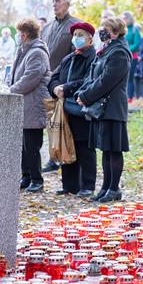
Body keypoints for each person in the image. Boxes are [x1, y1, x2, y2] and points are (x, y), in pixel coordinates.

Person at [76, 17, 132, 203]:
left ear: (115, 32)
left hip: (113, 107)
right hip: (103, 108)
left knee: (114, 150)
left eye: (105, 29)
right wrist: (83, 92)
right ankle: (106, 187)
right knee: (106, 150)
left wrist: (86, 97)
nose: (101, 31)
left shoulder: (119, 52)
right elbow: (94, 77)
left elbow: (106, 80)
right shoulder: (107, 50)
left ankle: (114, 188)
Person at [48, 22, 97, 197]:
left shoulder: (93, 57)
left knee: (84, 147)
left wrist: (66, 88)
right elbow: (53, 77)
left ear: (90, 38)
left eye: (80, 35)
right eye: (75, 34)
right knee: (66, 145)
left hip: (81, 108)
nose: (76, 38)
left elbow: (87, 80)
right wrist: (55, 89)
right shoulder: (68, 58)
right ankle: (69, 185)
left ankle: (87, 185)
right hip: (64, 108)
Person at [8, 18, 52, 193]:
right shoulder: (25, 50)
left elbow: (30, 78)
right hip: (25, 104)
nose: (18, 36)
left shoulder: (37, 52)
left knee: (32, 145)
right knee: (23, 145)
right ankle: (26, 176)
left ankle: (36, 179)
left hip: (33, 104)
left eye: (19, 33)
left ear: (24, 34)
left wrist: (10, 90)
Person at [40, 0, 81, 174]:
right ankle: (53, 157)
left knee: (66, 123)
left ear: (67, 4)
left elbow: (77, 54)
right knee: (52, 121)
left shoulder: (75, 26)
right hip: (48, 81)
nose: (54, 4)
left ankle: (69, 158)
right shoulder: (47, 27)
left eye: (58, 1)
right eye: (53, 1)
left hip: (65, 82)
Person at [122, 12, 142, 101]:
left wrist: (127, 50)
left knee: (130, 76)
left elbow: (137, 44)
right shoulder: (121, 30)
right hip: (121, 56)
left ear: (129, 19)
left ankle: (130, 97)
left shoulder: (135, 29)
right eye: (122, 18)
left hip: (132, 57)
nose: (124, 20)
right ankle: (123, 96)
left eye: (125, 18)